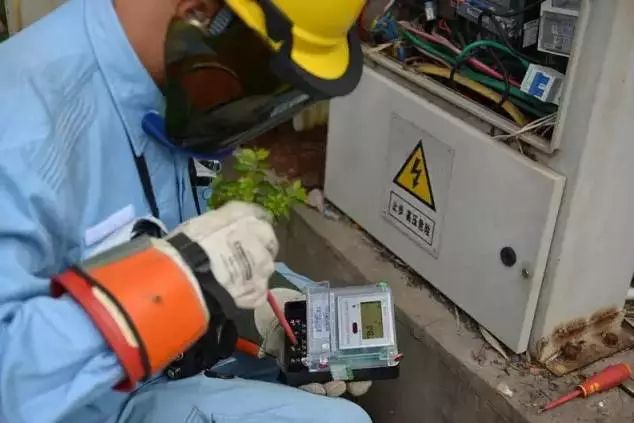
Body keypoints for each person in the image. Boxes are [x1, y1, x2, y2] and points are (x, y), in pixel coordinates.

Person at [0, 0, 370, 422]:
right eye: (256, 69)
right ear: (200, 12)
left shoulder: (165, 80)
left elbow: (173, 237)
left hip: (157, 385)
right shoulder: (21, 131)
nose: (242, 97)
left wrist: (257, 305)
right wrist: (174, 287)